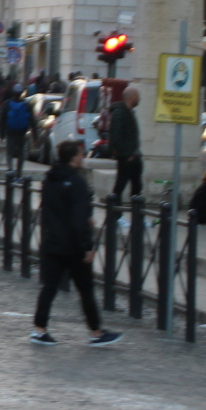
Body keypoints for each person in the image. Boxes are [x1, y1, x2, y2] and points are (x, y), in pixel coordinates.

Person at [31, 140, 122, 346]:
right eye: (81, 154)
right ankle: (96, 332)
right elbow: (78, 219)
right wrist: (87, 247)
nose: (83, 157)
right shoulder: (77, 182)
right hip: (72, 246)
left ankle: (39, 328)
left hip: (52, 241)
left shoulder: (50, 179)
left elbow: (47, 211)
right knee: (85, 289)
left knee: (49, 287)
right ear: (74, 157)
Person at [108, 85, 142, 202]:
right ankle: (113, 215)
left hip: (134, 157)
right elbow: (115, 138)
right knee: (120, 186)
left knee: (137, 187)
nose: (140, 99)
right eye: (138, 97)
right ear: (132, 97)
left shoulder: (129, 112)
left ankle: (137, 215)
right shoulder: (119, 113)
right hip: (126, 158)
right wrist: (128, 154)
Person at [2, 88, 33, 178]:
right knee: (21, 153)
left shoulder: (7, 104)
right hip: (22, 132)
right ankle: (19, 173)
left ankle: (10, 170)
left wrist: (1, 133)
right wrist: (35, 136)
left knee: (9, 152)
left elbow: (3, 119)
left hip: (10, 132)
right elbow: (32, 120)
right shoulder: (27, 105)